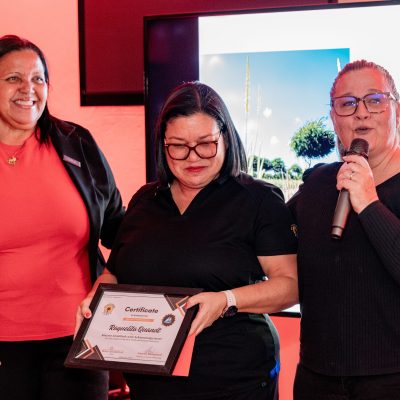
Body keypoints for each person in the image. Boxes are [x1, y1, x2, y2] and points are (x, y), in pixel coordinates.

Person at [76, 81, 298, 400]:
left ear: (226, 139)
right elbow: (115, 275)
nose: (192, 157)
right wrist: (95, 300)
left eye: (205, 144)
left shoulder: (258, 200)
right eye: (178, 146)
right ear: (162, 145)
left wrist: (226, 300)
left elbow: (290, 284)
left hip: (231, 378)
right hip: (150, 381)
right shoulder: (145, 200)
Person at [0, 35, 125, 400]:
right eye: (13, 78)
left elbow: (119, 227)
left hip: (79, 339)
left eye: (38, 78)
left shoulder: (77, 143)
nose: (29, 89)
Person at [288, 60, 400, 400]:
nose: (361, 113)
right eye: (347, 104)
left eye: (374, 99)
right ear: (335, 120)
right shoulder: (318, 184)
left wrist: (368, 201)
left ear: (396, 109)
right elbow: (268, 244)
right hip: (316, 379)